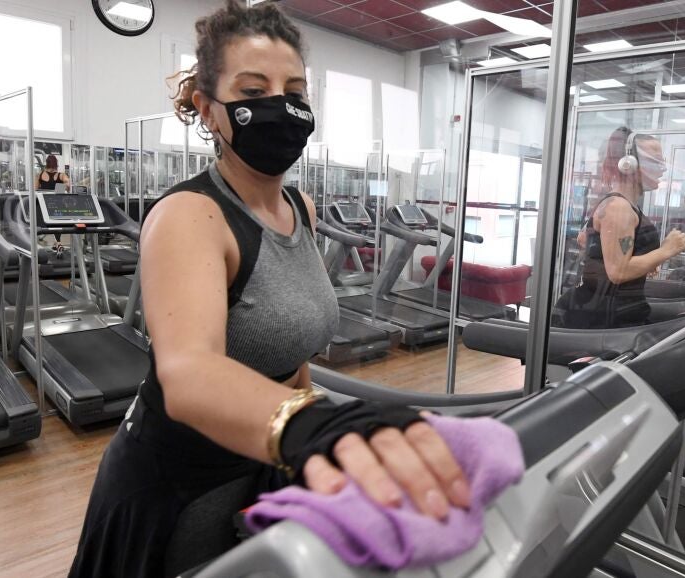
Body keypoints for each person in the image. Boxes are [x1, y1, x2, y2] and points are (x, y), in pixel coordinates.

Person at [70, 3, 469, 576]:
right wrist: (311, 428)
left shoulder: (301, 208)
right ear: (208, 110)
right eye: (253, 91)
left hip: (263, 462)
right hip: (183, 486)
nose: (281, 106)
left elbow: (293, 355)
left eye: (295, 91)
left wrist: (304, 442)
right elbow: (187, 373)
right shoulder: (190, 215)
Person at [554, 126, 685, 329]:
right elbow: (618, 271)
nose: (662, 168)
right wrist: (666, 250)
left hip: (618, 309)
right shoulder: (619, 208)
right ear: (629, 163)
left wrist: (645, 261)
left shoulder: (623, 205)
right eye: (655, 161)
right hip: (603, 317)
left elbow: (589, 243)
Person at [35, 155, 70, 251]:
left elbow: (35, 190)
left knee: (47, 223)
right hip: (57, 204)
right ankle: (58, 242)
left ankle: (56, 243)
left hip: (44, 204)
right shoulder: (61, 175)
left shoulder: (40, 175)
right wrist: (58, 190)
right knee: (57, 223)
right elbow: (68, 185)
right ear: (56, 164)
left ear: (46, 163)